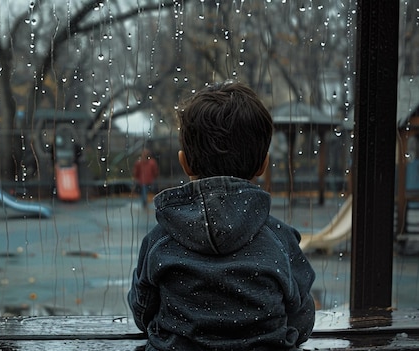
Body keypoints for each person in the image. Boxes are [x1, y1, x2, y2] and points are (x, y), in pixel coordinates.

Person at [128, 81, 316, 351]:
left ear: (185, 162)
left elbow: (143, 312)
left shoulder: (159, 240)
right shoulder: (280, 239)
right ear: (263, 164)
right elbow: (302, 319)